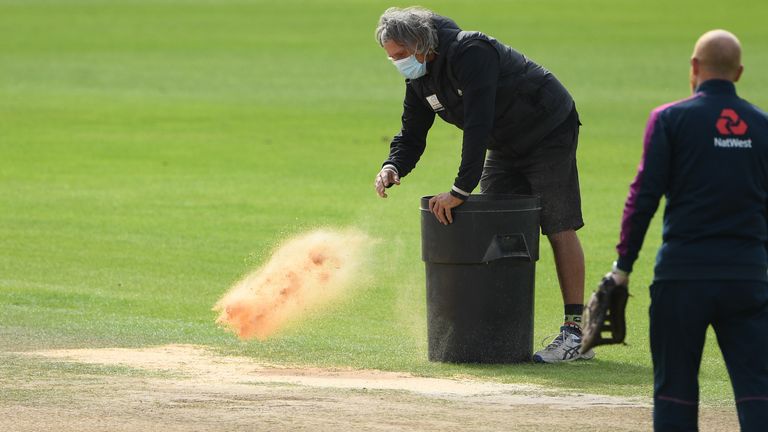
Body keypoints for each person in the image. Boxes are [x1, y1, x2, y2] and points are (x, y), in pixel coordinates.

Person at [373, 7, 592, 363]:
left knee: (557, 223)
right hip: (504, 142)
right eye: (391, 57)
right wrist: (393, 165)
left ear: (420, 43)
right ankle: (498, 332)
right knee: (495, 230)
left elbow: (477, 123)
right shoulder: (420, 75)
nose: (397, 63)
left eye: (399, 55)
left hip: (547, 127)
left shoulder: (471, 52)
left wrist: (460, 191)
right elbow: (412, 131)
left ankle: (576, 334)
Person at [606, 30, 768, 431]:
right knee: (757, 390)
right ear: (740, 72)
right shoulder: (763, 127)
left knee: (675, 392)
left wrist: (623, 266)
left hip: (682, 278)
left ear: (694, 69)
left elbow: (642, 199)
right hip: (747, 279)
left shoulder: (670, 119)